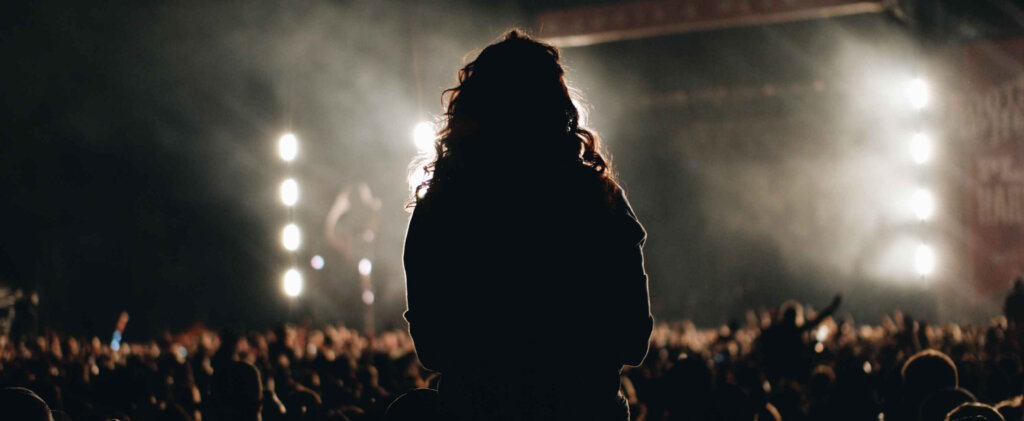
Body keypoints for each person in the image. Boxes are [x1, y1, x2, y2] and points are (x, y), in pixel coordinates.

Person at [402, 29, 653, 421]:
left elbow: (432, 348)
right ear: (557, 106)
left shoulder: (442, 206)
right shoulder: (599, 200)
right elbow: (633, 339)